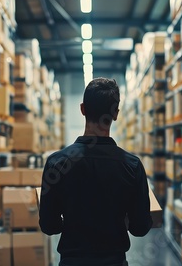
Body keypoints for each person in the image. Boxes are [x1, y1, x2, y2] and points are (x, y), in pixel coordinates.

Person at [39, 77, 153, 266]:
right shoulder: (132, 166)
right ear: (116, 114)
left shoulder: (56, 163)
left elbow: (49, 226)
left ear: (82, 109)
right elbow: (140, 228)